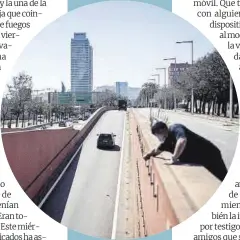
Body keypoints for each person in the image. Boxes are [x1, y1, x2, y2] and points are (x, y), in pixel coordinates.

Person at [143, 121, 228, 181]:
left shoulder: (175, 128)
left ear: (163, 129)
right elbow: (156, 151)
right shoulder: (166, 142)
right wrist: (148, 155)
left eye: (158, 134)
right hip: (200, 162)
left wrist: (174, 157)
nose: (158, 137)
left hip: (211, 156)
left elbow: (182, 141)